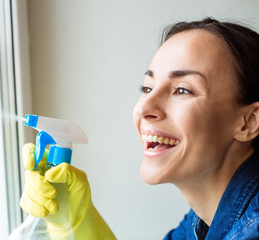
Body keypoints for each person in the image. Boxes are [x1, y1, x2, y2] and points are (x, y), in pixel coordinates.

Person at [20, 17, 259, 239]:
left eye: (182, 90)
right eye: (147, 88)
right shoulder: (203, 217)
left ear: (249, 122)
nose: (144, 108)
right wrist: (74, 217)